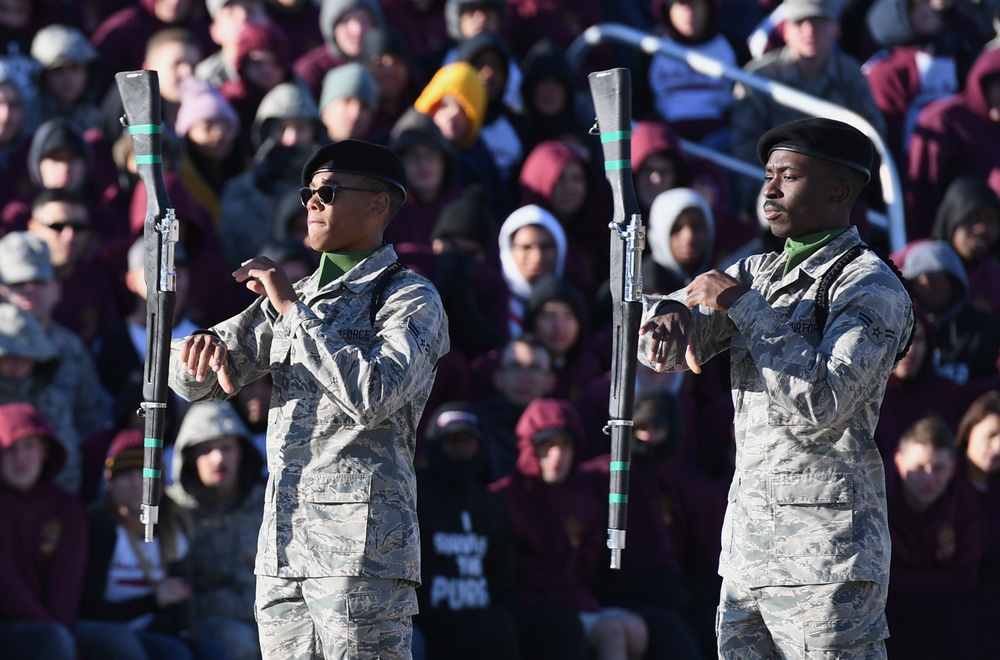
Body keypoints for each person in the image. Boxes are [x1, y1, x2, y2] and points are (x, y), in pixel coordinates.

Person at [637, 117, 914, 657]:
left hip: (827, 560)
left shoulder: (871, 285)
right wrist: (660, 312)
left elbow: (825, 399)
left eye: (788, 176)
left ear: (838, 190)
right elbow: (665, 358)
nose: (769, 189)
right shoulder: (756, 270)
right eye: (767, 174)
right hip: (749, 553)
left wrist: (743, 306)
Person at [168, 139, 450, 658]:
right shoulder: (298, 295)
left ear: (377, 203)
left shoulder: (409, 296)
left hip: (363, 553)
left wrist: (291, 311)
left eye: (328, 190)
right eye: (308, 193)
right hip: (283, 545)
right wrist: (194, 350)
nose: (312, 203)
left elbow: (374, 395)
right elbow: (191, 383)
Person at [490, 397, 649, 660]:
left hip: (572, 602)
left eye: (565, 445)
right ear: (529, 447)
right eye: (547, 445)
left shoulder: (582, 500)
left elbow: (586, 567)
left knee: (636, 629)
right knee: (611, 632)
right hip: (528, 607)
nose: (557, 456)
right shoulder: (503, 498)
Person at [414, 402, 519, 659]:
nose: (461, 447)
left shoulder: (491, 503)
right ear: (435, 444)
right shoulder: (415, 495)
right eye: (452, 440)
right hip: (426, 619)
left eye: (468, 440)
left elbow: (503, 573)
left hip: (483, 617)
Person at [167, 401, 266, 660]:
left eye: (226, 447)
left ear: (241, 452)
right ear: (188, 456)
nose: (218, 458)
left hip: (270, 615)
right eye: (206, 449)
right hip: (208, 623)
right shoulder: (172, 511)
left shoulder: (267, 504)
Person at [883, 415, 985, 658]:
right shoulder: (876, 499)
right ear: (899, 461)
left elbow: (966, 576)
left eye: (938, 468)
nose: (929, 479)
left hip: (944, 624)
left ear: (953, 468)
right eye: (919, 468)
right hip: (884, 623)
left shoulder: (963, 502)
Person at [0, 402, 88, 660]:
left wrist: (61, 633)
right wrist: (56, 634)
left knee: (119, 643)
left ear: (45, 451)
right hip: (11, 626)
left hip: (55, 626)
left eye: (29, 446)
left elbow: (66, 587)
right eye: (10, 450)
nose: (21, 459)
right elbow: (6, 586)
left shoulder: (67, 510)